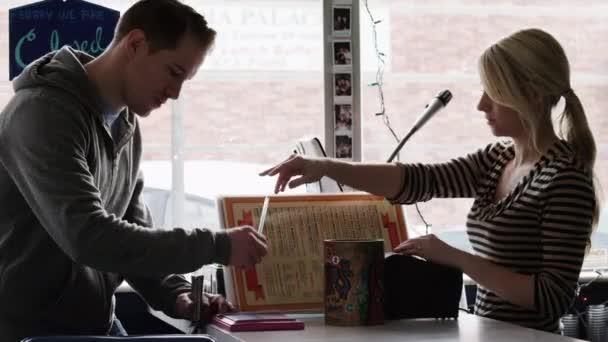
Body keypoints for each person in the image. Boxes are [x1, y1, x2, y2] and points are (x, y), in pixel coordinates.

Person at [260, 28, 598, 333]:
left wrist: (454, 257)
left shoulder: (565, 179)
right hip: (493, 333)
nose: (481, 104)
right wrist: (325, 167)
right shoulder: (497, 159)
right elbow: (418, 180)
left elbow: (552, 298)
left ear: (532, 95)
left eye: (493, 93)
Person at [0, 0, 267, 340]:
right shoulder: (41, 114)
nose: (175, 93)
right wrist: (217, 245)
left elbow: (129, 233)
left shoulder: (125, 126)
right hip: (29, 333)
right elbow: (89, 237)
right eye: (174, 72)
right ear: (136, 44)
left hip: (93, 326)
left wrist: (178, 295)